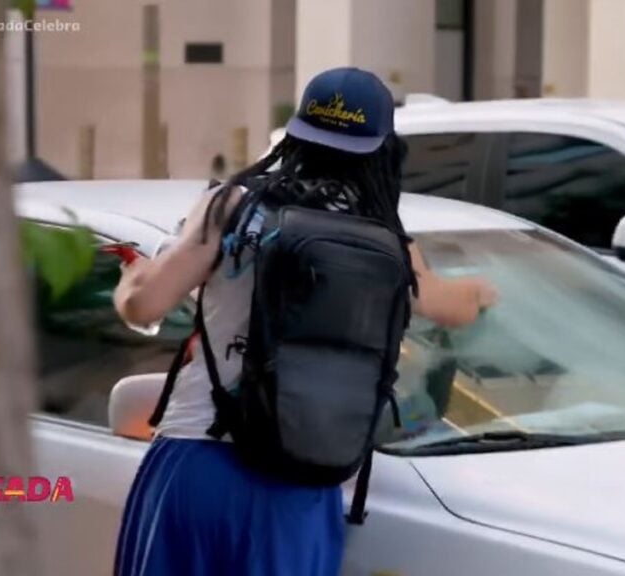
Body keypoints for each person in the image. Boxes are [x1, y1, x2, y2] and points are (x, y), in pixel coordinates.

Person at [111, 67, 496, 576]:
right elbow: (450, 305)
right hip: (302, 481)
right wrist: (482, 292)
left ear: (295, 135)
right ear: (382, 150)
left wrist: (132, 278)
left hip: (201, 461)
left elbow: (143, 306)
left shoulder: (233, 207)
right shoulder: (385, 240)